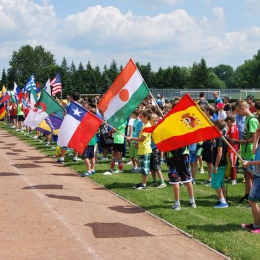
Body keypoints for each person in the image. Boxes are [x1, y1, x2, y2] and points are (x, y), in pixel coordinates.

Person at [232, 99, 259, 203]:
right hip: (245, 151)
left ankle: (253, 198)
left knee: (252, 175)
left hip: (251, 152)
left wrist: (239, 141)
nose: (237, 113)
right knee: (246, 175)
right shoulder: (247, 118)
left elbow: (254, 138)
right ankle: (247, 195)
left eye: (238, 111)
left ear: (243, 109)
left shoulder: (252, 120)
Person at [127, 109, 153, 190]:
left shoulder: (147, 126)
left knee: (145, 169)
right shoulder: (144, 125)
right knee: (142, 168)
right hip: (142, 149)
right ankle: (142, 183)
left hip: (145, 150)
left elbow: (142, 138)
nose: (140, 117)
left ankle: (144, 184)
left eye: (141, 116)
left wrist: (132, 138)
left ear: (146, 117)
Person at [241, 121, 260, 233]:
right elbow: (254, 151)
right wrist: (257, 137)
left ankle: (257, 225)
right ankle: (255, 224)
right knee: (252, 200)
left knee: (252, 200)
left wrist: (249, 164)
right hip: (257, 175)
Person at [167, 145, 196, 210]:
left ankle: (177, 204)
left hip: (173, 155)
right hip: (184, 154)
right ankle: (192, 201)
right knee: (187, 178)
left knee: (175, 180)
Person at [211, 120, 228, 208]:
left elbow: (220, 153)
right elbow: (213, 148)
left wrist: (216, 166)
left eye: (213, 126)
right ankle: (223, 199)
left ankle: (223, 202)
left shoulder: (220, 138)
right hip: (220, 163)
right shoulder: (217, 137)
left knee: (215, 183)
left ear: (216, 127)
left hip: (219, 164)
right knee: (220, 182)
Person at [149, 113, 166, 188]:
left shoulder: (157, 128)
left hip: (156, 149)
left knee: (156, 166)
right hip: (150, 148)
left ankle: (162, 181)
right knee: (151, 167)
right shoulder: (149, 128)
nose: (155, 122)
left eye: (156, 120)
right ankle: (154, 181)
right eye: (154, 121)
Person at [225, 115, 239, 185]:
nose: (227, 124)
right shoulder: (232, 127)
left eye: (227, 123)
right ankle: (231, 177)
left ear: (229, 121)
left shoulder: (233, 128)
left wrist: (226, 137)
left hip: (232, 148)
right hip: (231, 148)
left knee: (232, 164)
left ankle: (234, 179)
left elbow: (232, 140)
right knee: (230, 163)